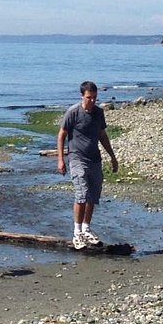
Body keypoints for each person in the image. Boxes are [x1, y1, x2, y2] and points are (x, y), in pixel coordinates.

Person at [57, 80, 118, 249]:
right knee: (81, 194)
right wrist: (61, 159)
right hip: (77, 158)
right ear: (82, 96)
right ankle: (77, 232)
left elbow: (102, 135)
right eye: (89, 97)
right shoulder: (73, 112)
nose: (92, 101)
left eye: (95, 98)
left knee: (92, 196)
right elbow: (61, 135)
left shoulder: (98, 113)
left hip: (95, 159)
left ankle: (86, 229)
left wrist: (112, 157)